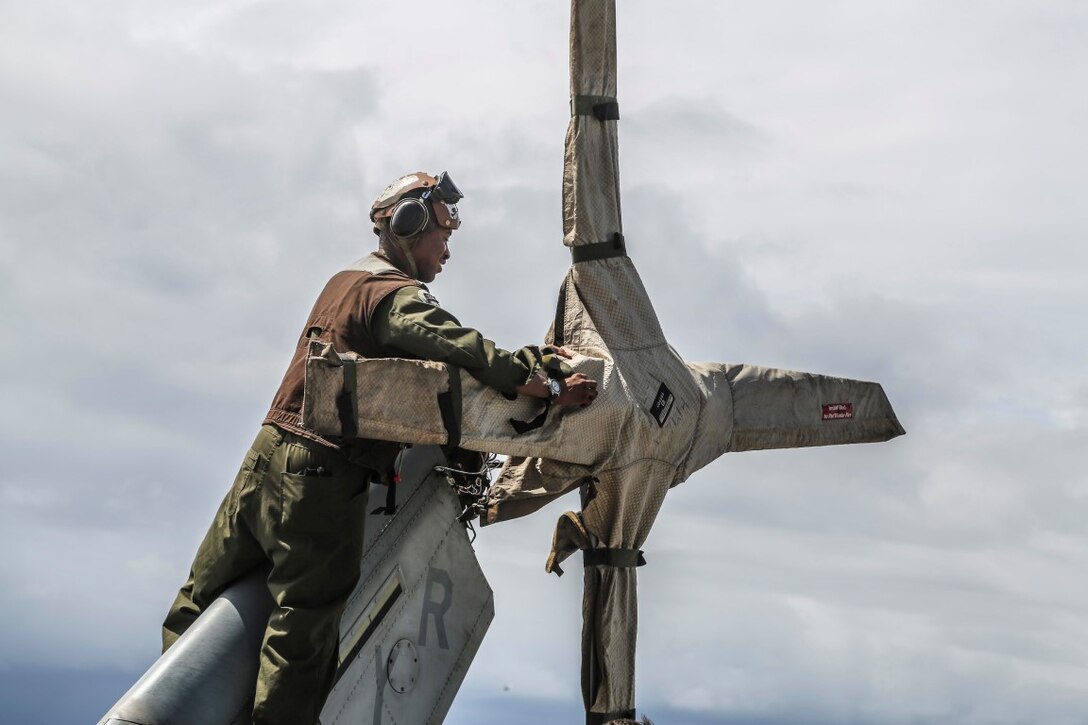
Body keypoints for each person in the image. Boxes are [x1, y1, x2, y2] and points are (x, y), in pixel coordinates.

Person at [160, 171, 598, 725]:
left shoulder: (343, 281)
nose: (447, 251)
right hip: (320, 474)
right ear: (409, 225)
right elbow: (456, 345)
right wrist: (546, 385)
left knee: (196, 607)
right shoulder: (390, 294)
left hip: (264, 458)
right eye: (442, 235)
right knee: (304, 630)